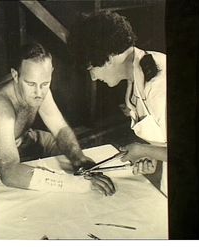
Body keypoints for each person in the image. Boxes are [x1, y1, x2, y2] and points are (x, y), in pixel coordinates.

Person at [0, 41, 115, 196]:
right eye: (30, 84)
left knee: (81, 157)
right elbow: (9, 172)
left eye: (45, 84)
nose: (38, 92)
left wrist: (78, 158)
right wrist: (78, 184)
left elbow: (59, 128)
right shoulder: (0, 108)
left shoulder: (38, 87)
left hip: (28, 138)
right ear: (16, 75)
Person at [68, 11, 168, 195]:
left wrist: (142, 149)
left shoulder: (159, 85)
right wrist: (150, 154)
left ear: (109, 57)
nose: (93, 77)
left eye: (91, 68)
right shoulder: (135, 78)